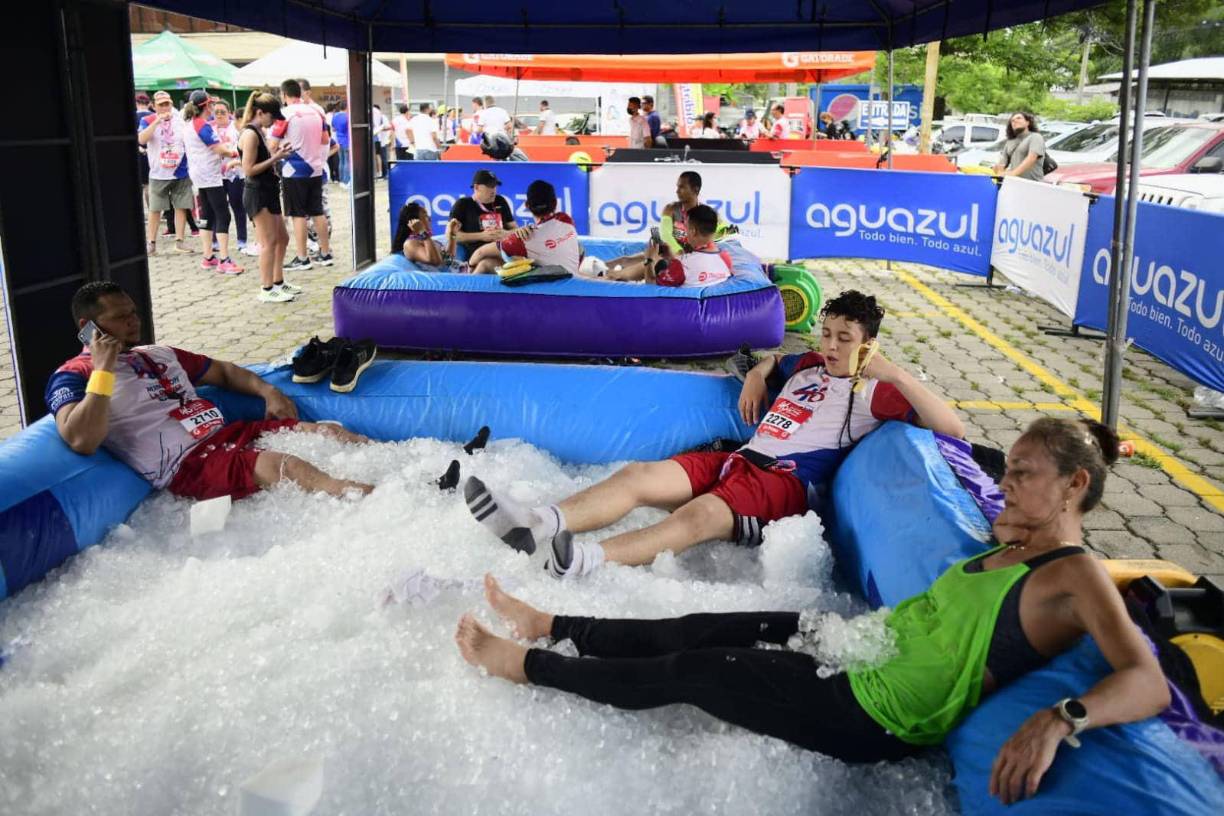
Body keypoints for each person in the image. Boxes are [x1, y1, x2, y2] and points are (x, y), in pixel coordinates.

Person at [457, 417, 1171, 807]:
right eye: (1005, 469)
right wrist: (1014, 529)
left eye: (1022, 473)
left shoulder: (1073, 574)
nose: (1003, 482)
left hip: (872, 709)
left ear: (1074, 485)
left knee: (693, 670)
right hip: (858, 646)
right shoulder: (1013, 540)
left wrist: (1061, 718)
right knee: (702, 626)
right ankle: (554, 625)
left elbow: (1147, 680)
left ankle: (527, 664)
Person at [465, 291, 964, 578]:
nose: (831, 346)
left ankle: (584, 561)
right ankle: (537, 524)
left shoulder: (872, 392)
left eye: (845, 339)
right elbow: (775, 360)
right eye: (828, 333)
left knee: (698, 515)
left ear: (868, 344)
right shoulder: (809, 364)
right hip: (738, 461)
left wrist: (893, 373)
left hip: (782, 485)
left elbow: (953, 429)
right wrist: (757, 375)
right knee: (638, 475)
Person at [48, 282, 374, 500]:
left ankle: (394, 468)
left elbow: (224, 372)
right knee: (285, 466)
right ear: (87, 327)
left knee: (327, 432)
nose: (133, 321)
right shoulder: (75, 374)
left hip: (228, 434)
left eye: (133, 312)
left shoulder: (158, 353)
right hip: (188, 465)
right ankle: (368, 498)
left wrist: (268, 392)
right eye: (120, 317)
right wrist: (103, 369)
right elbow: (82, 439)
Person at [238, 92, 298, 303]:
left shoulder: (259, 132)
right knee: (268, 242)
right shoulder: (250, 134)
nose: (273, 122)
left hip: (268, 190)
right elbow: (248, 169)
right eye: (272, 117)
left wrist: (277, 155)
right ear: (260, 112)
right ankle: (267, 288)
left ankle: (278, 281)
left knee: (282, 238)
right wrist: (276, 158)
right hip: (257, 192)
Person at [269, 78, 333, 271]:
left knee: (298, 214)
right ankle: (325, 253)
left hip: (293, 169)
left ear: (284, 95)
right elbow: (325, 139)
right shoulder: (316, 111)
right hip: (315, 167)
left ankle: (302, 257)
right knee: (317, 211)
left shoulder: (284, 114)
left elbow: (273, 144)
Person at [181, 90, 243, 275]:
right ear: (207, 106)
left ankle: (208, 256)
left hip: (198, 175)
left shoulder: (189, 124)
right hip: (210, 175)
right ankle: (224, 259)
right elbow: (219, 149)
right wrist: (235, 152)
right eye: (211, 104)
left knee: (206, 215)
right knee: (223, 215)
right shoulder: (203, 126)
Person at [471, 180, 581, 275]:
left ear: (526, 205)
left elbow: (480, 253)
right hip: (575, 283)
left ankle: (466, 285)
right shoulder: (566, 219)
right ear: (556, 203)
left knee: (485, 264)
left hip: (544, 289)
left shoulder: (523, 239)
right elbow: (545, 231)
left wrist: (470, 266)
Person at [606, 205, 731, 287]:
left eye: (686, 228)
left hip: (673, 311)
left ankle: (608, 275)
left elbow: (651, 286)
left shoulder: (683, 265)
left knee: (654, 259)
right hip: (696, 297)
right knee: (661, 258)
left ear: (693, 231)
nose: (685, 232)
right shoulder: (726, 258)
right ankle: (612, 271)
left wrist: (649, 259)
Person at [139, 91, 194, 257]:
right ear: (154, 106)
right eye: (161, 105)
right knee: (155, 209)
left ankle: (180, 241)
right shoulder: (147, 120)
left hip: (179, 171)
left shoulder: (180, 121)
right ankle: (151, 243)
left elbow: (188, 142)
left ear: (171, 104)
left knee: (181, 206)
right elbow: (141, 139)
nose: (164, 107)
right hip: (158, 173)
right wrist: (157, 121)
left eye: (167, 104)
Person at [447, 169, 516, 262]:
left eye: (495, 186)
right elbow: (451, 235)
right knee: (486, 263)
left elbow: (515, 229)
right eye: (490, 186)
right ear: (476, 187)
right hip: (476, 255)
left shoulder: (501, 201)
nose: (494, 190)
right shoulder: (463, 204)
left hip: (502, 251)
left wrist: (505, 233)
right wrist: (481, 236)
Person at [212, 101, 249, 256]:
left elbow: (244, 147)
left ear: (229, 112)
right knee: (217, 208)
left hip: (235, 173)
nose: (219, 115)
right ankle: (215, 241)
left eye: (222, 112)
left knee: (238, 206)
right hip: (215, 175)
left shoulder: (236, 127)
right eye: (216, 112)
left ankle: (242, 240)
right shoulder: (210, 129)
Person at [995, 112, 1048, 182]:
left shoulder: (1035, 137)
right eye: (1012, 121)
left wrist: (1012, 174)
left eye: (1019, 118)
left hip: (1033, 183)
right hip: (1013, 183)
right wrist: (999, 172)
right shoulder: (1010, 142)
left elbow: (1031, 158)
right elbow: (1002, 163)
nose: (1015, 121)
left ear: (1027, 123)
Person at [392, 202, 445, 266]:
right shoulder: (410, 244)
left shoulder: (426, 240)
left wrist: (452, 236)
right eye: (425, 215)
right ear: (415, 222)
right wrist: (422, 232)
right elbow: (436, 261)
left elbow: (448, 261)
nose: (430, 219)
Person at [331, 99, 351, 184]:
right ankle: (346, 180)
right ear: (347, 107)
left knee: (341, 161)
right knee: (347, 161)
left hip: (338, 141)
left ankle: (341, 179)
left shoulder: (335, 116)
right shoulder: (348, 116)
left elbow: (333, 129)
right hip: (347, 141)